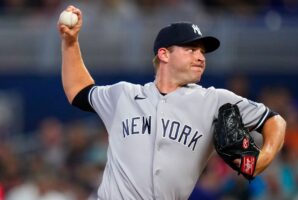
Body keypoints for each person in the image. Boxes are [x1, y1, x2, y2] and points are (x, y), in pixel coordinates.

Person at [57, 5, 286, 200]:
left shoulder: (215, 100)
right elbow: (79, 91)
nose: (200, 57)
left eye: (202, 52)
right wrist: (70, 42)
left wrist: (263, 158)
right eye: (191, 49)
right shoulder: (124, 95)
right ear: (164, 54)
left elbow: (274, 120)